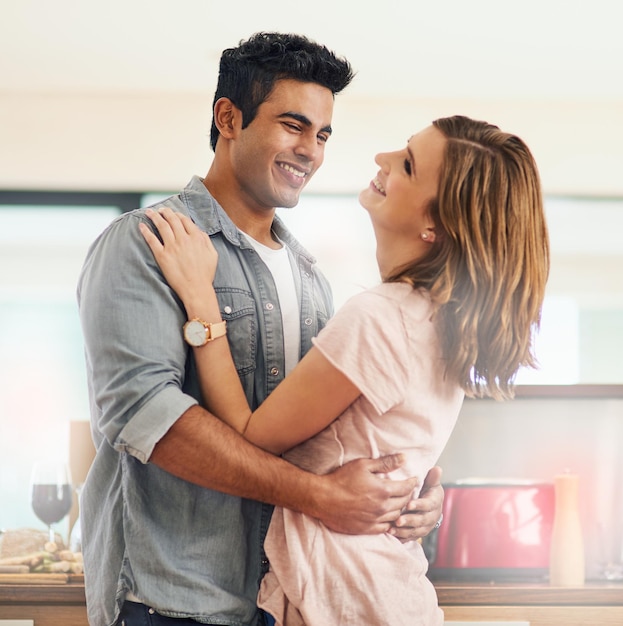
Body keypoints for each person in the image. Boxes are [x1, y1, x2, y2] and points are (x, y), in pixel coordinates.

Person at [77, 32, 444, 626]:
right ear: (229, 118)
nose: (310, 151)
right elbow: (148, 419)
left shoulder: (312, 282)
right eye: (293, 126)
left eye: (322, 135)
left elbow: (334, 436)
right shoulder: (146, 243)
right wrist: (322, 497)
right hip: (171, 599)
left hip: (280, 599)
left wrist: (413, 497)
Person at [139, 114, 550, 625]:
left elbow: (250, 436)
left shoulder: (383, 317)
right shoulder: (442, 323)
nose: (381, 160)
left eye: (407, 165)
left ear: (435, 225)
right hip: (385, 595)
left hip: (340, 598)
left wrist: (202, 302)